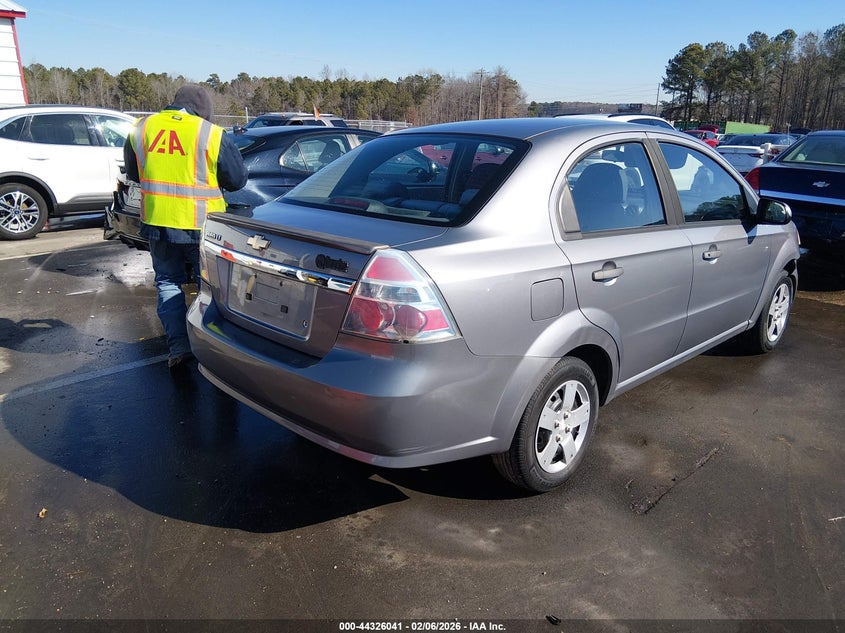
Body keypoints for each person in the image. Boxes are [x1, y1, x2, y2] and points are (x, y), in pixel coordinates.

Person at [124, 84, 247, 369]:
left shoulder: (142, 128)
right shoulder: (210, 133)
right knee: (212, 289)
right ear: (203, 110)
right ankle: (215, 350)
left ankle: (179, 349)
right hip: (201, 226)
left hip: (157, 222)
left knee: (168, 283)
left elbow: (133, 172)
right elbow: (237, 179)